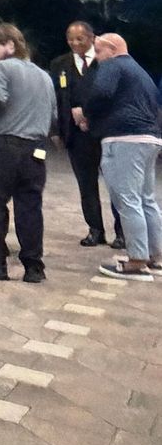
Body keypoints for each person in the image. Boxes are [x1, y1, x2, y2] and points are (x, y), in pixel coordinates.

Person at [0, 23, 56, 283]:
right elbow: (53, 116)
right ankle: (34, 268)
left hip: (6, 147)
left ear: (9, 45)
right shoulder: (45, 76)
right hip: (36, 150)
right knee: (30, 207)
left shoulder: (1, 68)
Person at [79, 33, 162, 282]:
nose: (97, 58)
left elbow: (101, 92)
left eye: (99, 51)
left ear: (112, 49)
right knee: (146, 200)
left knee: (128, 200)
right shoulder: (140, 72)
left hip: (124, 138)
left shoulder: (113, 65)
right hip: (149, 138)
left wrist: (87, 114)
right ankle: (155, 255)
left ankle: (137, 261)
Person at [50, 20, 122, 248]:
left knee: (116, 184)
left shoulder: (106, 62)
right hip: (76, 136)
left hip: (106, 132)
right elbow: (56, 99)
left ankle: (122, 231)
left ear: (92, 38)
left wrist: (89, 116)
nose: (75, 43)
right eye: (70, 39)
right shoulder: (59, 64)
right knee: (86, 184)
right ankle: (95, 229)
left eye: (79, 39)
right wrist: (56, 130)